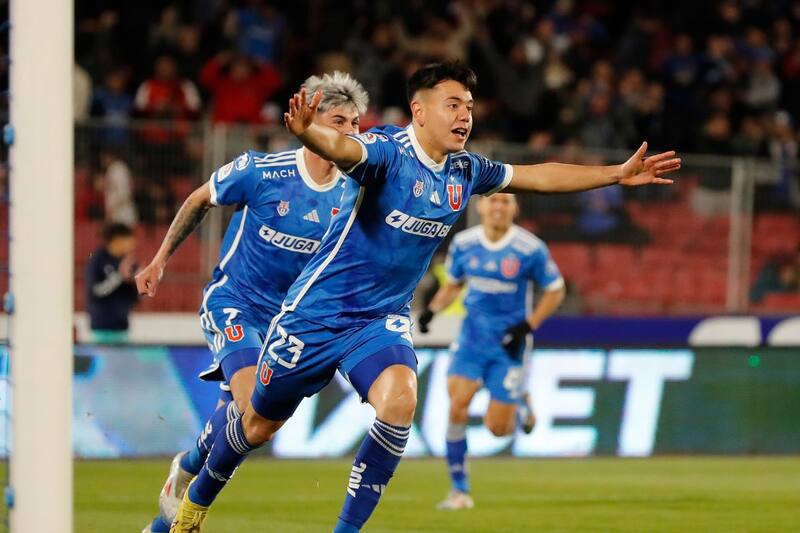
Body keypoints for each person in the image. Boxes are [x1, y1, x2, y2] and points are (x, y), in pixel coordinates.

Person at [170, 61, 680, 533]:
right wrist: (309, 134)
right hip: (314, 316)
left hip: (379, 321)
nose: (465, 116)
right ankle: (196, 503)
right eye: (453, 104)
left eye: (470, 107)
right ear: (419, 110)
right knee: (256, 425)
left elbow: (536, 176)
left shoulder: (465, 171)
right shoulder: (389, 154)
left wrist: (614, 173)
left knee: (400, 403)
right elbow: (347, 150)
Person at [134, 72, 368, 533]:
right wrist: (160, 260)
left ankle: (174, 496)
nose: (350, 132)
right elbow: (200, 199)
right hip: (234, 303)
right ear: (311, 121)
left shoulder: (354, 191)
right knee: (249, 408)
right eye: (339, 120)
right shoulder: (261, 171)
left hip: (289, 325)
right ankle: (188, 494)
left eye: (356, 123)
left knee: (253, 429)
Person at [416, 193, 565, 510]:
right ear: (481, 206)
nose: (498, 206)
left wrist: (528, 326)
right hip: (471, 340)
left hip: (509, 344)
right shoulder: (465, 243)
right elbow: (454, 283)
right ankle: (459, 490)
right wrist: (432, 310)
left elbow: (555, 289)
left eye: (506, 202)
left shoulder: (530, 248)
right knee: (457, 405)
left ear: (515, 209)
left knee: (498, 430)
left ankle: (521, 402)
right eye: (493, 200)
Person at [85, 223, 138, 343]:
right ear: (117, 240)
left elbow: (134, 298)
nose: (132, 242)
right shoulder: (97, 260)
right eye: (128, 239)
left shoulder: (127, 262)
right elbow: (96, 291)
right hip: (101, 330)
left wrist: (136, 281)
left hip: (122, 329)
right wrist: (119, 276)